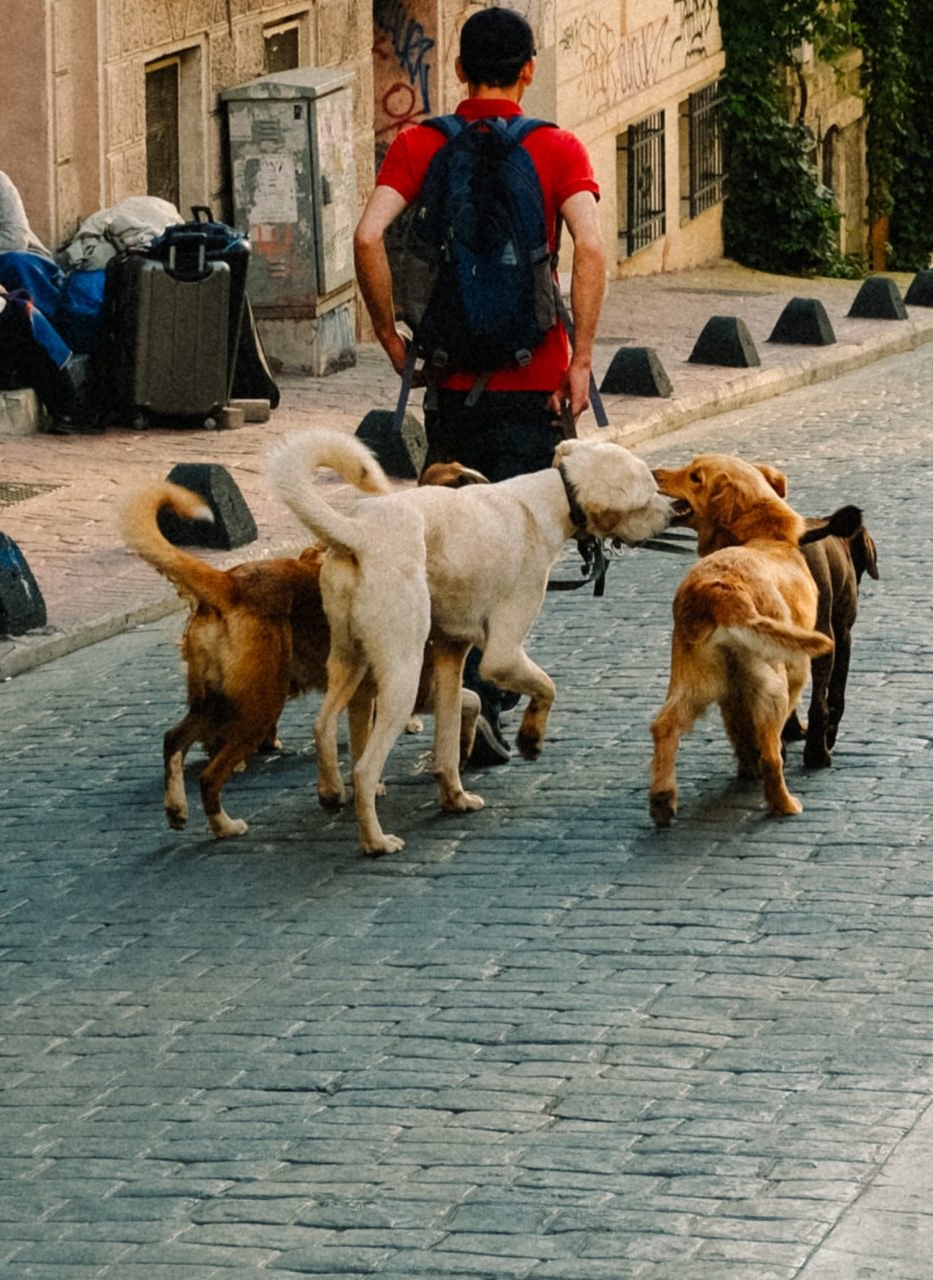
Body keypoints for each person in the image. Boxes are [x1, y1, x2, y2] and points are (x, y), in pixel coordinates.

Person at [352, 5, 605, 763]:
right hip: (535, 383)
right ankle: (488, 697)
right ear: (528, 70)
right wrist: (580, 361)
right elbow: (591, 249)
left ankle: (464, 701)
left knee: (458, 552)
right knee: (517, 554)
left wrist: (389, 332)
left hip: (451, 385)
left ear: (459, 70)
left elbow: (368, 235)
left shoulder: (420, 143)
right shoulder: (556, 147)